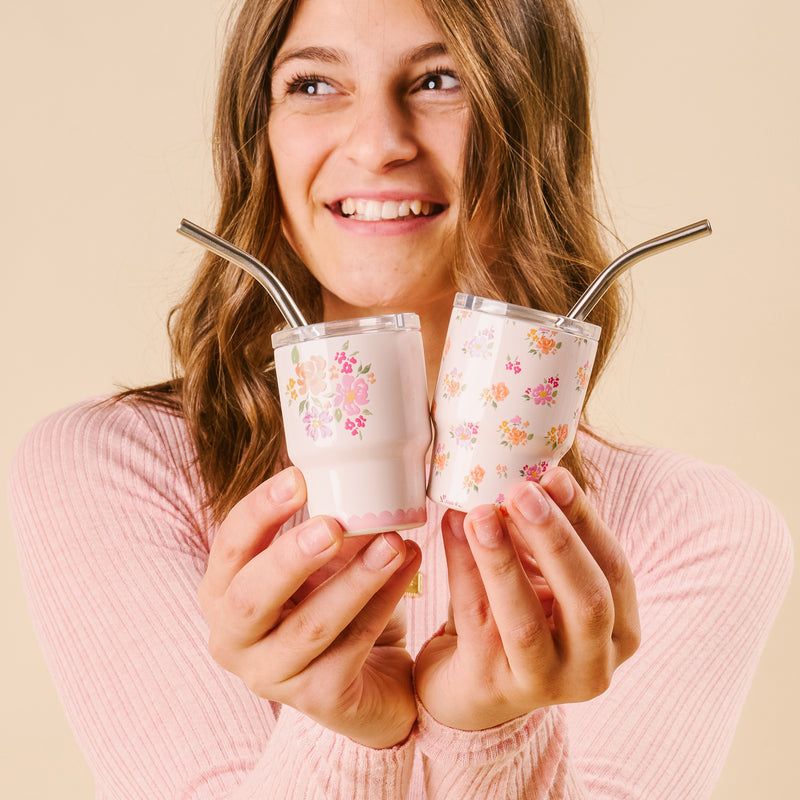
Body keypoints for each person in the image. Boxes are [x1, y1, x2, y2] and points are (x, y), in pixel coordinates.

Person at [8, 0, 792, 797]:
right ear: (260, 138)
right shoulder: (114, 473)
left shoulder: (698, 533)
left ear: (533, 128)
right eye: (313, 83)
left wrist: (489, 733)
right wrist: (348, 729)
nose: (379, 144)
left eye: (439, 80)